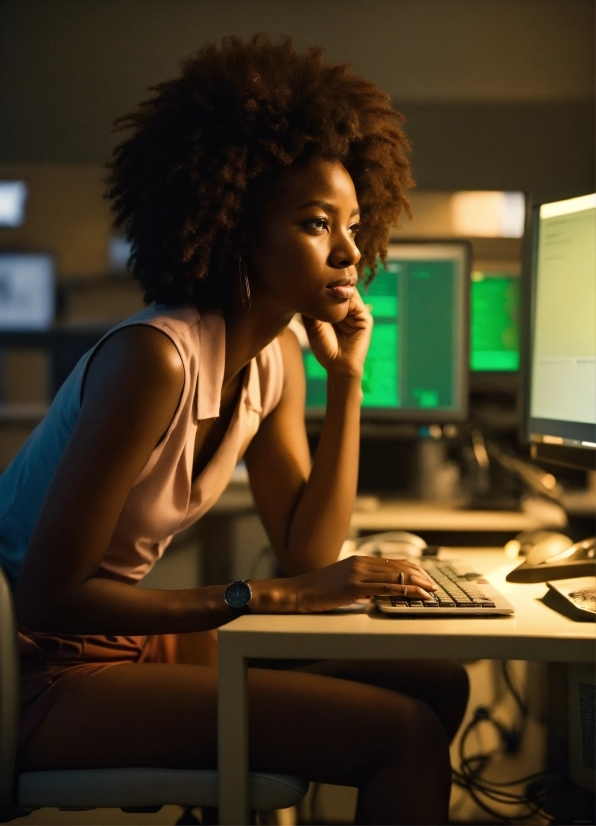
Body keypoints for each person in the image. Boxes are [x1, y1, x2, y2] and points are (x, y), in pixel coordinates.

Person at [0, 36, 469, 825]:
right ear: (236, 227)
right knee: (403, 735)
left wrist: (346, 382)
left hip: (127, 644)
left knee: (436, 681)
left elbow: (311, 552)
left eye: (355, 223)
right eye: (318, 224)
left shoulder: (274, 358)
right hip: (38, 669)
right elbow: (51, 595)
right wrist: (264, 597)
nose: (351, 252)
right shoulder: (157, 359)